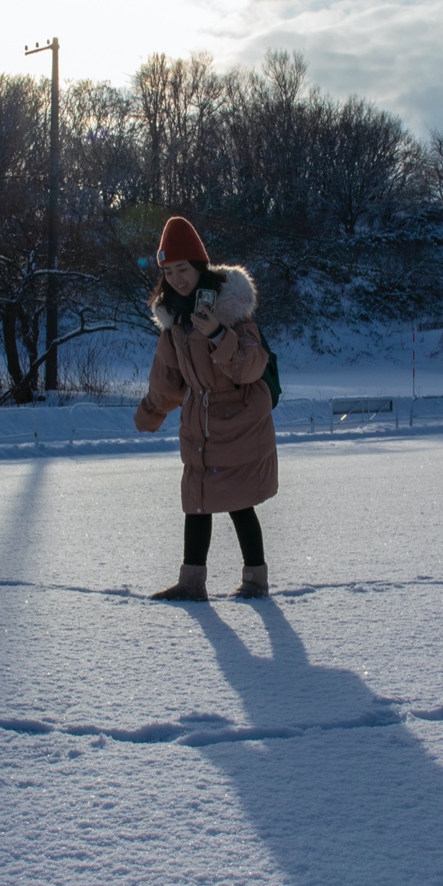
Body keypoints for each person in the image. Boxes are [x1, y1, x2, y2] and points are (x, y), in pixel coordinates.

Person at [134, 215, 278, 600]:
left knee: (239, 503)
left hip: (240, 423)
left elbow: (252, 365)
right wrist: (151, 410)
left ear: (199, 265)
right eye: (168, 271)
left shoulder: (232, 310)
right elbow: (167, 378)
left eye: (183, 269)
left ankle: (255, 580)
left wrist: (217, 333)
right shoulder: (174, 321)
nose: (177, 278)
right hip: (200, 425)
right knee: (196, 502)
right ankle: (191, 583)